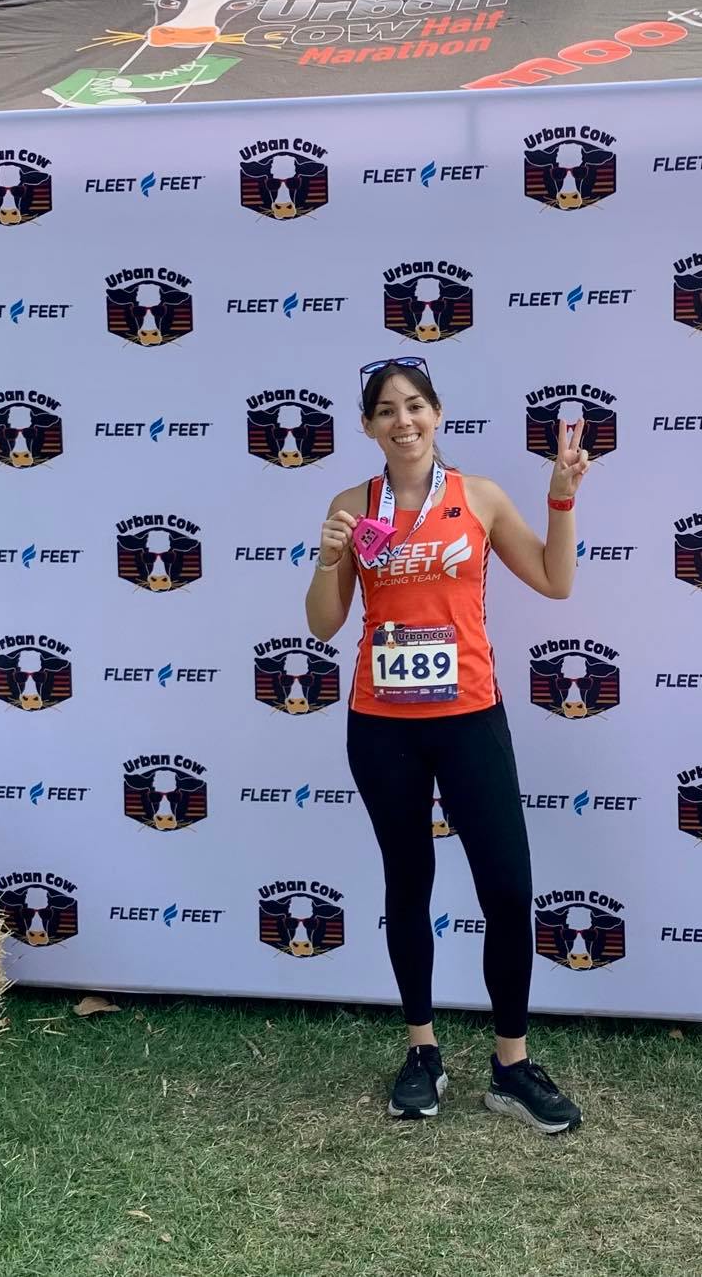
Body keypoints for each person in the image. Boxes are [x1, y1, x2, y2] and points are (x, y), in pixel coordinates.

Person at [305, 357, 589, 1132]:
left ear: (436, 413)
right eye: (386, 410)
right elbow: (322, 624)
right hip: (382, 723)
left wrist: (561, 498)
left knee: (507, 888)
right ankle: (422, 1051)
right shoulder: (350, 506)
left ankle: (511, 1064)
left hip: (469, 716)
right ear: (367, 426)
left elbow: (555, 579)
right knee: (408, 882)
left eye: (415, 405)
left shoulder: (479, 496)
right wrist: (329, 558)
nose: (403, 420)